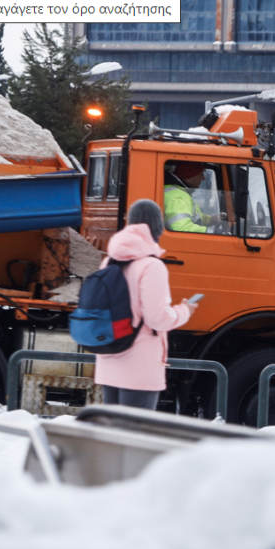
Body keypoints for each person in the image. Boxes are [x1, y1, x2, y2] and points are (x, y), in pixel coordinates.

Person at [94, 199, 197, 410]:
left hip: (109, 361)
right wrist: (185, 310)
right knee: (133, 436)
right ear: (156, 227)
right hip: (139, 368)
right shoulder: (152, 266)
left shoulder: (109, 261)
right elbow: (157, 318)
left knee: (113, 435)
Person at [163, 161, 223, 233]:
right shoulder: (176, 196)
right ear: (188, 178)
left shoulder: (179, 192)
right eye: (200, 175)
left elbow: (193, 216)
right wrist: (212, 232)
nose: (203, 178)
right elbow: (182, 227)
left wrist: (212, 219)